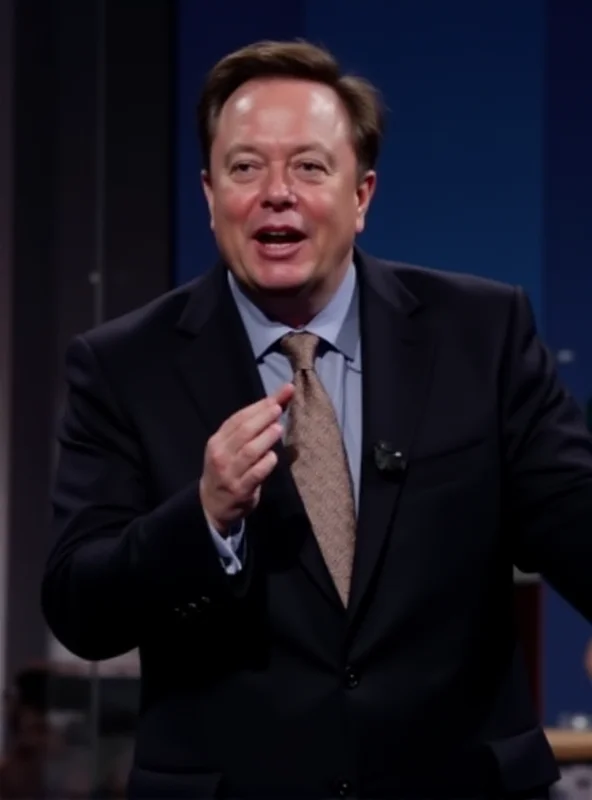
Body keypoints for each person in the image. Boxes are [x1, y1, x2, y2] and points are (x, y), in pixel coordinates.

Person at [41, 39, 592, 800]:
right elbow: (80, 605)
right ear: (208, 194)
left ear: (361, 196)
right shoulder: (122, 368)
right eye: (245, 167)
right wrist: (202, 518)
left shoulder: (481, 333)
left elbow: (577, 522)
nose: (276, 193)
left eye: (309, 166)